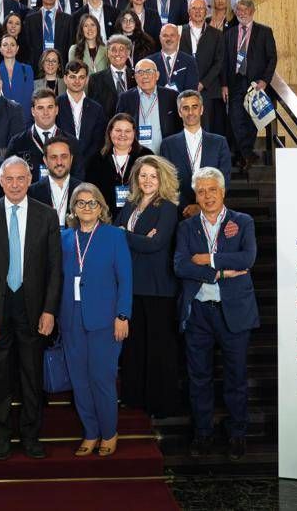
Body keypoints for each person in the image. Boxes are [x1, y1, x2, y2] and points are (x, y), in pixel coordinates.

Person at [0, 157, 63, 460]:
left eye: (20, 178)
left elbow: (55, 268)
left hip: (33, 308)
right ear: (0, 181)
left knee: (32, 374)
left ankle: (31, 435)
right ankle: (1, 436)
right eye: (9, 179)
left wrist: (49, 310)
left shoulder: (47, 215)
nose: (14, 185)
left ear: (29, 180)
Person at [174, 167, 258, 461]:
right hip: (198, 312)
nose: (207, 196)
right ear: (195, 195)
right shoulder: (186, 227)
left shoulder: (243, 222)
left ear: (223, 192)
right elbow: (180, 265)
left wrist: (207, 259)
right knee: (199, 377)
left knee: (236, 376)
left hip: (234, 312)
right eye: (201, 191)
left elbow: (247, 258)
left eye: (212, 190)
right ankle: (203, 433)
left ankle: (237, 433)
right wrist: (219, 272)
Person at [59, 183, 132, 457]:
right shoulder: (65, 238)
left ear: (101, 208)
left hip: (105, 319)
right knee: (79, 380)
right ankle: (90, 432)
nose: (87, 207)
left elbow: (125, 279)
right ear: (73, 208)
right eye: (81, 202)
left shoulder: (114, 236)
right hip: (71, 319)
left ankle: (109, 432)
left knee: (101, 378)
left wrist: (123, 315)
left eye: (92, 203)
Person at [114, 156, 183, 418]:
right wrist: (138, 238)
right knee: (135, 346)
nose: (147, 180)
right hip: (132, 284)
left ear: (162, 178)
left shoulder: (167, 207)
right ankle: (134, 397)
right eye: (143, 175)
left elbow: (156, 244)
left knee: (159, 347)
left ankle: (159, 403)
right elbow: (116, 235)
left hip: (157, 287)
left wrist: (126, 234)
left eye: (153, 176)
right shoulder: (130, 204)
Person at [222, 0, 277, 168]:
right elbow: (224, 61)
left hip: (255, 84)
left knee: (252, 120)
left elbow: (272, 58)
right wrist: (224, 84)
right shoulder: (229, 34)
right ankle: (247, 154)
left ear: (252, 11)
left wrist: (265, 81)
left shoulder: (265, 32)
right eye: (239, 9)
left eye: (245, 9)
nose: (242, 13)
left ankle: (243, 156)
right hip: (235, 82)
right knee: (235, 118)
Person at [159, 89, 232, 215]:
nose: (190, 112)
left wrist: (203, 205)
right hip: (180, 212)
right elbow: (167, 182)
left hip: (212, 211)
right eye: (185, 108)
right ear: (179, 112)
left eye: (195, 107)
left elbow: (224, 179)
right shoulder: (167, 145)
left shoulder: (219, 142)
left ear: (201, 110)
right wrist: (186, 207)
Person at [7, 88, 79, 182]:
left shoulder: (71, 142)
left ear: (56, 110)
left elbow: (77, 180)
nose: (46, 113)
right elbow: (8, 177)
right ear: (33, 111)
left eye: (50, 107)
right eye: (40, 108)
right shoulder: (17, 143)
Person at [86, 113, 153, 213]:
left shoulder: (147, 156)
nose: (122, 134)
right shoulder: (97, 159)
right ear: (110, 132)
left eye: (127, 131)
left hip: (140, 214)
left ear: (134, 133)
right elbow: (90, 191)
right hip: (105, 215)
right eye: (118, 130)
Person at [115, 59, 181, 153]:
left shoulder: (172, 96)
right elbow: (118, 127)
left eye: (149, 71)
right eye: (140, 72)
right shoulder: (125, 98)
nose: (145, 76)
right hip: (136, 154)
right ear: (135, 77)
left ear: (157, 75)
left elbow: (179, 127)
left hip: (165, 153)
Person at [178, 0, 225, 122]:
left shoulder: (217, 35)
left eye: (201, 8)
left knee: (207, 128)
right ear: (189, 11)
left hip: (208, 91)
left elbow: (219, 63)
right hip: (184, 90)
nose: (198, 11)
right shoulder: (179, 32)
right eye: (194, 8)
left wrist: (203, 83)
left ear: (206, 11)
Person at [58, 60, 107, 167]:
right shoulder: (56, 105)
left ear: (87, 80)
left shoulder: (97, 109)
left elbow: (98, 141)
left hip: (90, 167)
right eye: (72, 77)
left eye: (81, 77)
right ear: (65, 79)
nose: (77, 81)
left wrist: (82, 162)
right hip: (61, 164)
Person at [28, 136, 82, 227]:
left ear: (71, 159)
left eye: (64, 157)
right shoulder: (31, 192)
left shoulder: (84, 190)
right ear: (45, 160)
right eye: (53, 157)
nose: (59, 162)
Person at [21, 0, 72, 65]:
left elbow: (69, 46)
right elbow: (26, 46)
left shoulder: (67, 19)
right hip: (36, 64)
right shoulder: (30, 19)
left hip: (60, 64)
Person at [86, 35, 135, 118]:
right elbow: (93, 110)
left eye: (121, 49)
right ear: (107, 53)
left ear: (128, 53)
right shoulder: (96, 79)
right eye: (113, 50)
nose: (117, 53)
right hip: (106, 124)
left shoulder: (136, 76)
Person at [147, 23, 196, 94]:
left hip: (181, 100)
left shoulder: (189, 61)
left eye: (172, 35)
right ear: (160, 38)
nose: (169, 39)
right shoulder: (149, 61)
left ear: (178, 37)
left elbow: (191, 90)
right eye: (165, 35)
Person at [0, 34, 35, 122]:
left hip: (24, 120)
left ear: (17, 49)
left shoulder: (27, 70)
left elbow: (29, 97)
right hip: (1, 120)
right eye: (5, 45)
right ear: (0, 49)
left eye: (12, 45)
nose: (9, 48)